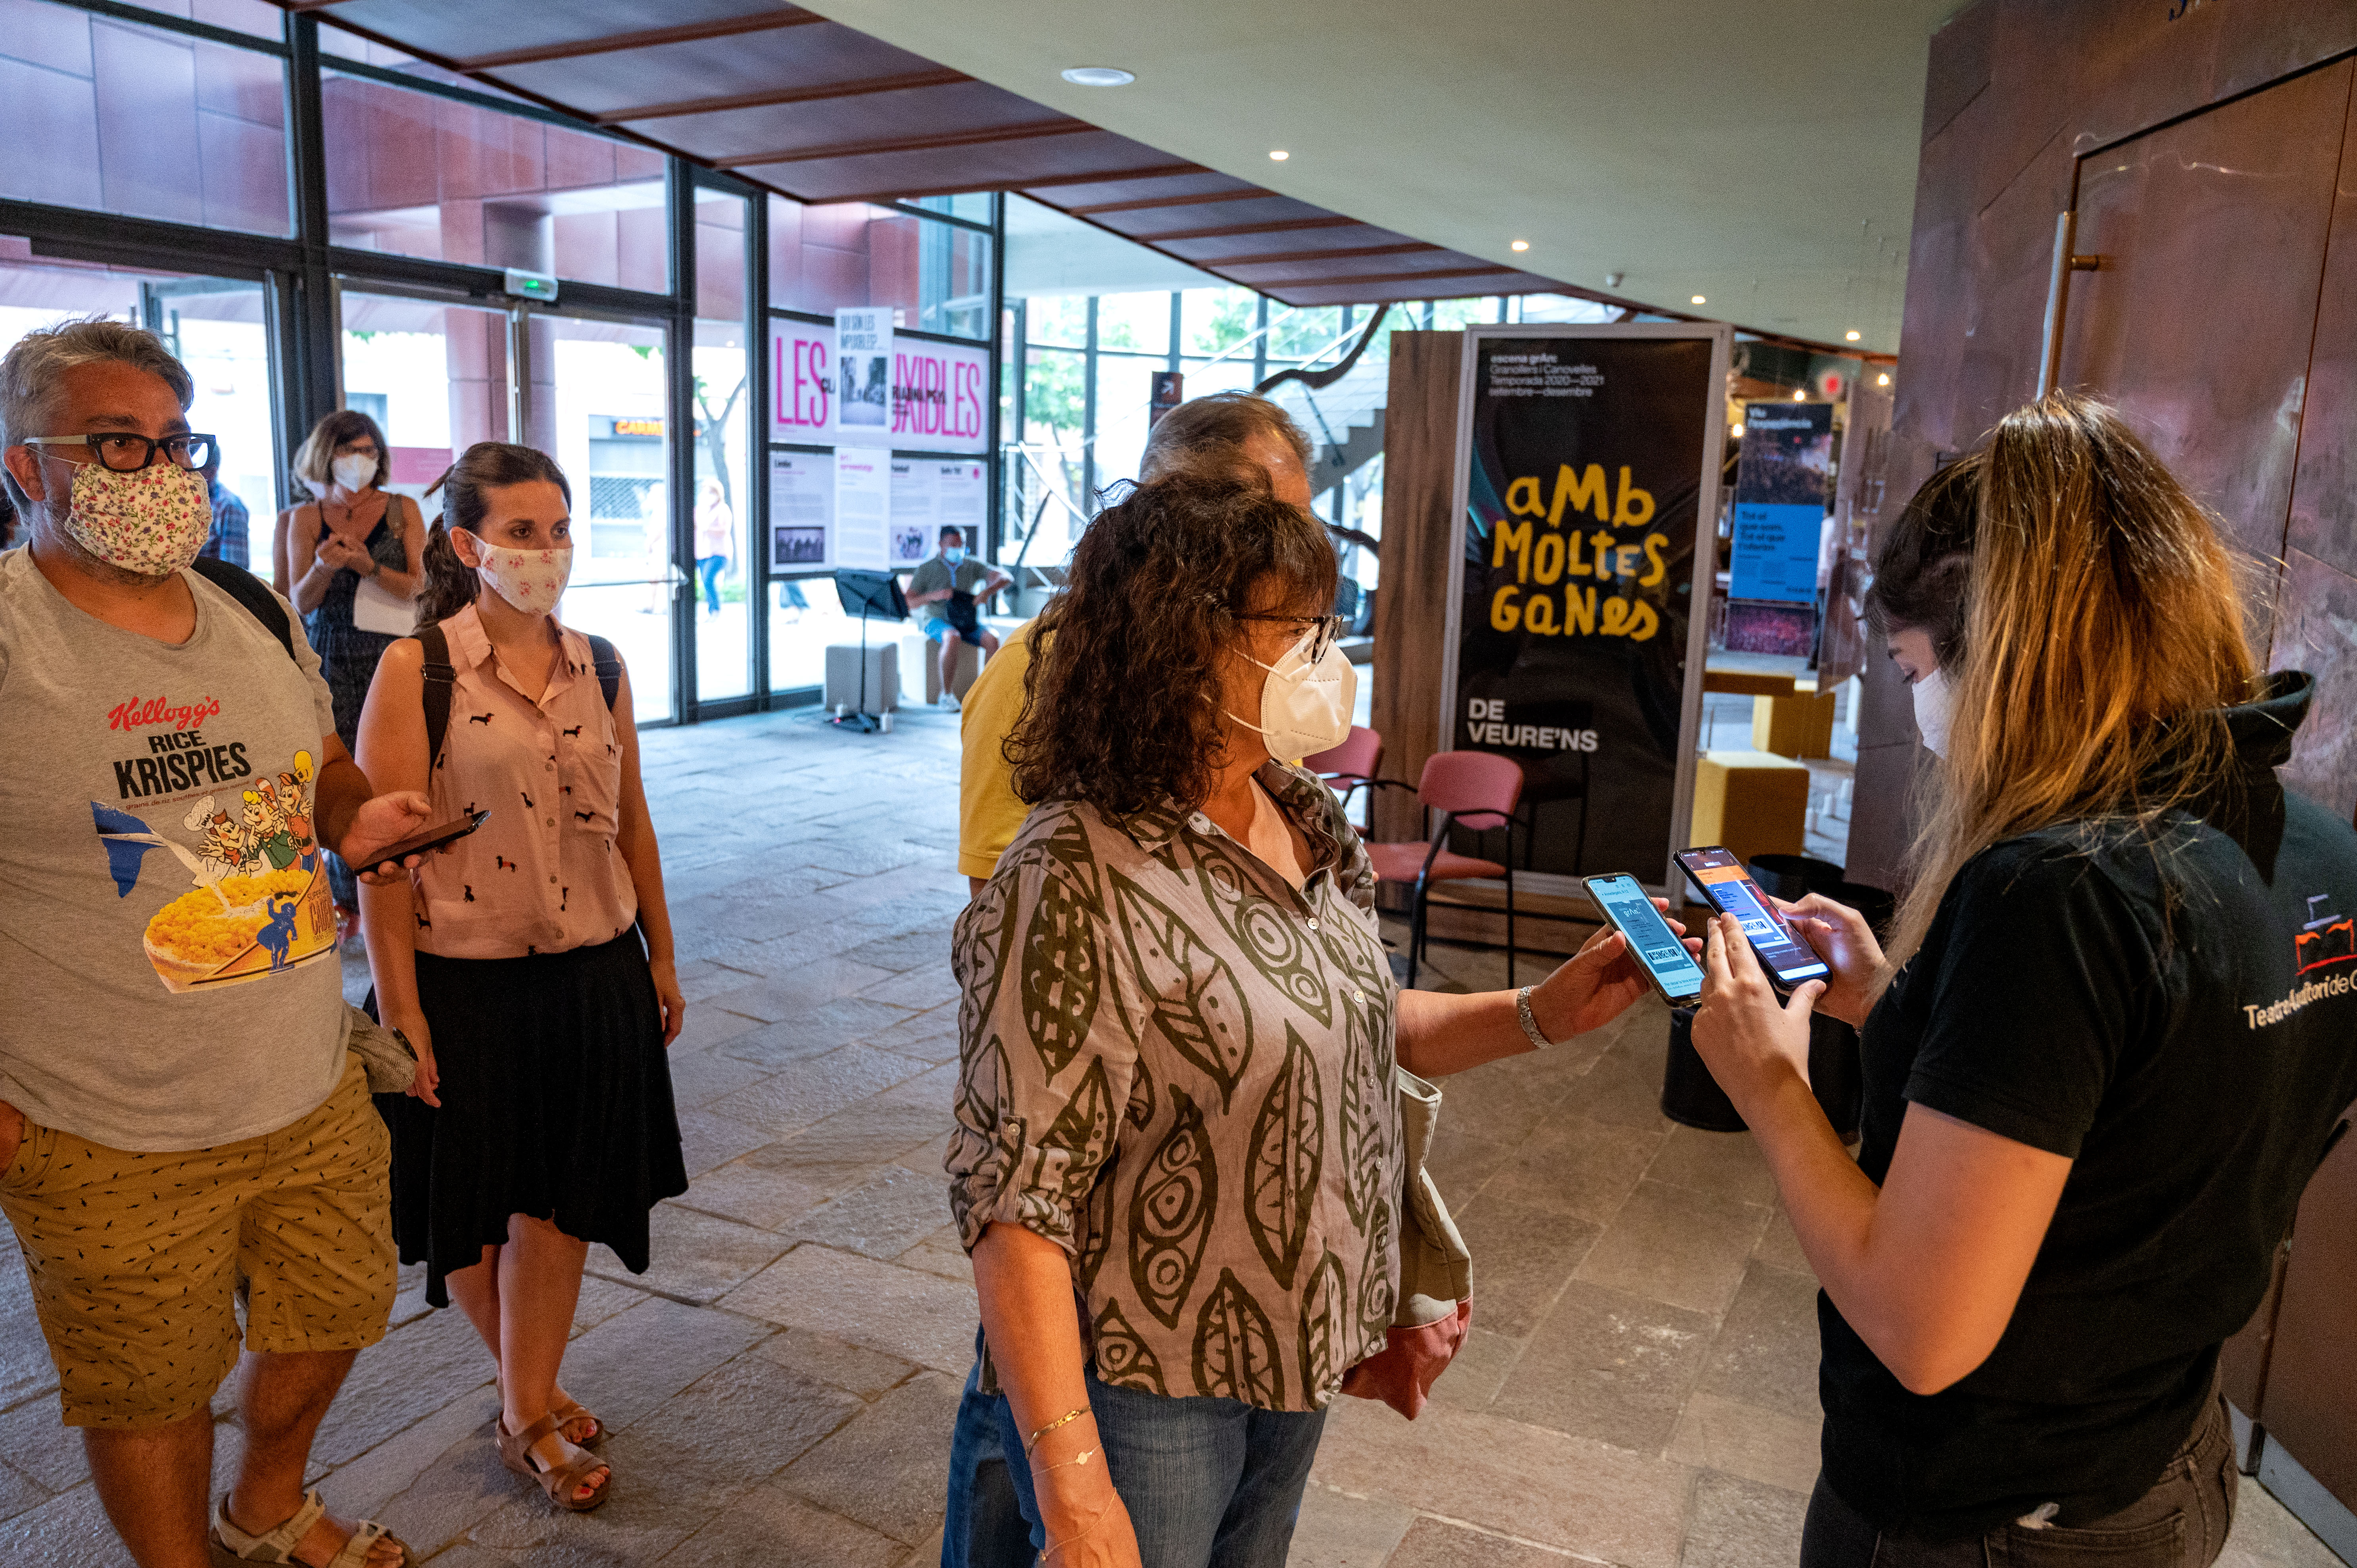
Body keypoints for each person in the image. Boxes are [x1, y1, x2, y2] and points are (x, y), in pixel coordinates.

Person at [948, 468, 1694, 1568]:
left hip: (1293, 1354)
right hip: (1149, 1383)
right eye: (1290, 628)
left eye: (1324, 624)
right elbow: (1014, 1197)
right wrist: (1072, 1492)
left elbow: (1352, 1021)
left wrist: (1535, 1012)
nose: (1321, 656)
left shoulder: (1300, 813)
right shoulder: (1073, 872)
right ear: (1175, 641)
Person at [1688, 393, 2357, 1567]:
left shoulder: (2056, 891)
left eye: (1910, 665)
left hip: (1986, 1518)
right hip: (2162, 1462)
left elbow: (1923, 1325)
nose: (1916, 704)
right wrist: (1896, 1004)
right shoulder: (2315, 851)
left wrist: (1769, 1085)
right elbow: (2134, 1120)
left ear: (1997, 648)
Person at [0, 319, 436, 1568]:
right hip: (101, 1119)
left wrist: (361, 820)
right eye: (118, 443)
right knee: (148, 1388)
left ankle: (268, 1506)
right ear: (30, 467)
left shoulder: (248, 603)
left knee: (340, 1311)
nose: (159, 473)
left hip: (303, 1078)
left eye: (174, 442)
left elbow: (327, 767)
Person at [939, 394, 1318, 1568]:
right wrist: (1068, 1465)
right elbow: (1027, 1088)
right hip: (1130, 1315)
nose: (1314, 648)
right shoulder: (1067, 800)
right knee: (1025, 1475)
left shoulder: (1291, 804)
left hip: (1255, 1303)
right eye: (1263, 539)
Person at [354, 441, 688, 1514]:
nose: (546, 553)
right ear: (466, 543)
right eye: (521, 532)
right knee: (473, 1206)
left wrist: (663, 954)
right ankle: (528, 1394)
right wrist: (400, 1005)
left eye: (558, 530)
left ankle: (525, 1408)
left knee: (560, 1202)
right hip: (465, 981)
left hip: (592, 970)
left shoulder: (604, 662)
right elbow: (378, 850)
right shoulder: (421, 670)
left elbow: (630, 816)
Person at [274, 409, 427, 932]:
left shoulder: (402, 509)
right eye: (348, 451)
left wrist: (369, 566)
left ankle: (412, 876)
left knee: (398, 764)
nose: (360, 461)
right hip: (329, 654)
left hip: (394, 651)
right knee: (340, 774)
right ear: (326, 457)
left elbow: (419, 588)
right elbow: (296, 601)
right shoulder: (304, 517)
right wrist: (325, 564)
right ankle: (351, 899)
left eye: (369, 451)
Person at [907, 524, 1011, 709]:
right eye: (952, 545)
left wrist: (988, 591)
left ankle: (986, 692)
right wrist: (933, 596)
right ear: (941, 544)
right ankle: (946, 696)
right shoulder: (926, 569)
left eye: (961, 544)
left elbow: (1006, 577)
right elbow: (909, 601)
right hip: (936, 619)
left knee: (992, 639)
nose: (957, 549)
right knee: (952, 636)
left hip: (967, 620)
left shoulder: (972, 565)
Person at [198, 443, 249, 568]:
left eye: (195, 468)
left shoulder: (230, 506)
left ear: (212, 472)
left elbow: (234, 574)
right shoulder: (190, 502)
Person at [693, 476, 733, 617]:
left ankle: (715, 610)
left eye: (711, 492)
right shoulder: (700, 510)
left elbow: (723, 531)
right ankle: (712, 611)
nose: (708, 496)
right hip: (702, 553)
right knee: (705, 581)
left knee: (708, 579)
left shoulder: (723, 510)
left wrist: (706, 529)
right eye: (706, 492)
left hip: (719, 553)